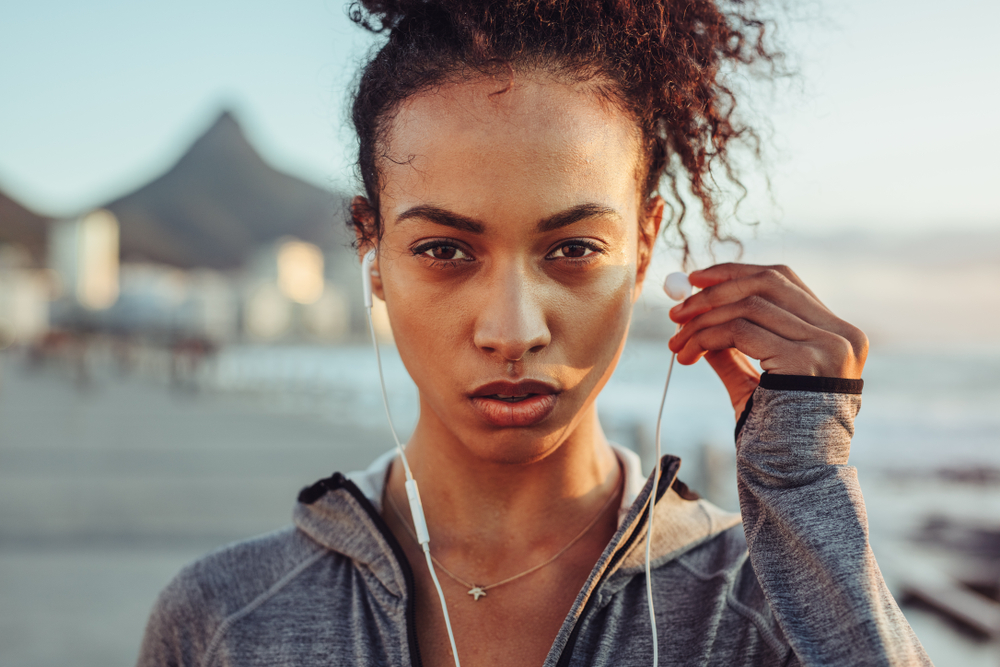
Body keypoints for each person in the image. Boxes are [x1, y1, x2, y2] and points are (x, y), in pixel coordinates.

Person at [137, 1, 932, 665]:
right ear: (371, 252)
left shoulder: (771, 609)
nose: (512, 330)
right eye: (445, 250)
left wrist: (802, 485)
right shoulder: (227, 620)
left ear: (645, 243)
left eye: (574, 249)